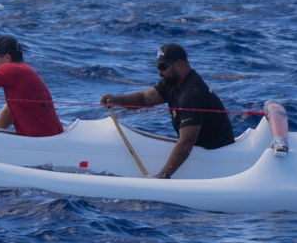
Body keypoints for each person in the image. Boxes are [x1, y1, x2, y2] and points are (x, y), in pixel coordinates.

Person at [99, 43, 235, 178]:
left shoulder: (192, 94)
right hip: (200, 148)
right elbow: (145, 98)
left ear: (180, 64)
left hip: (216, 154)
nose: (160, 72)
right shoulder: (173, 82)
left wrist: (164, 174)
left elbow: (186, 141)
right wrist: (116, 100)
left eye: (163, 67)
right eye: (158, 67)